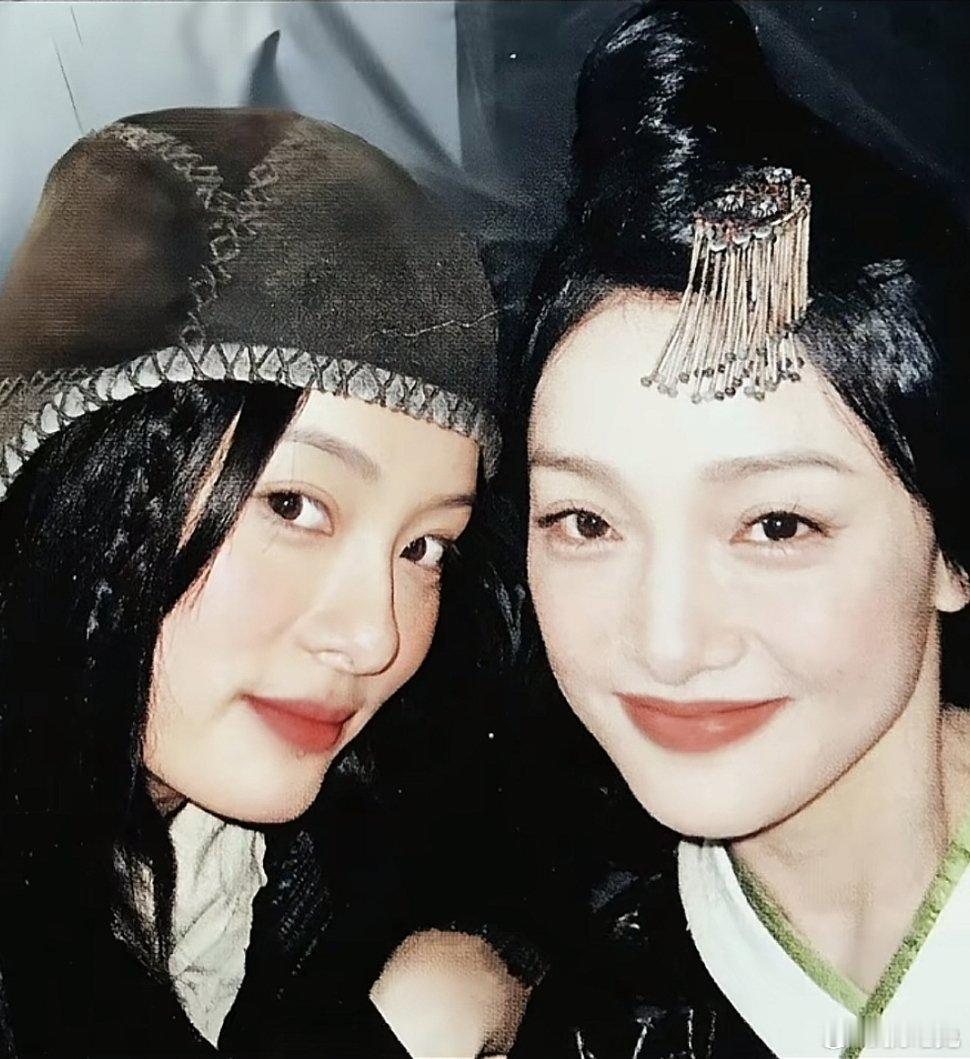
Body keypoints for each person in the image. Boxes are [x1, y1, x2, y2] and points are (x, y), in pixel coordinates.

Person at [505, 3, 970, 1057]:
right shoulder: (585, 1011)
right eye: (586, 521)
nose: (668, 643)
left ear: (950, 546)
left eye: (776, 524)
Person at [0, 105, 506, 1056]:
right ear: (92, 485)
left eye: (426, 548)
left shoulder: (332, 854)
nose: (375, 637)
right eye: (294, 506)